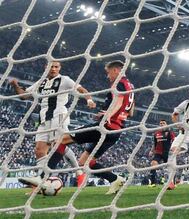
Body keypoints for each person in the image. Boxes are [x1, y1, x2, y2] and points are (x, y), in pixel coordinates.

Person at [10, 61, 96, 191]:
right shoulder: (42, 82)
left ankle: (79, 174)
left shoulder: (64, 80)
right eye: (51, 66)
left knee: (59, 144)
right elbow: (24, 96)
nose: (54, 69)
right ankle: (41, 181)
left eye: (56, 67)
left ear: (59, 68)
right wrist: (15, 85)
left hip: (59, 117)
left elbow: (81, 89)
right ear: (46, 67)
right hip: (44, 120)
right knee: (39, 150)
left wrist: (89, 99)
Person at [59, 60, 135, 195]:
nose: (108, 76)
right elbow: (131, 111)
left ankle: (43, 178)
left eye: (108, 72)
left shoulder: (119, 83)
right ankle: (116, 179)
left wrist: (108, 115)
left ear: (116, 70)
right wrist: (110, 113)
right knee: (84, 162)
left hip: (106, 127)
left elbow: (119, 101)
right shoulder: (130, 86)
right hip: (117, 130)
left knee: (62, 139)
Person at [148, 119, 175, 187]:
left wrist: (174, 149)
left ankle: (172, 183)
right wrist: (151, 151)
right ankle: (153, 183)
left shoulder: (170, 133)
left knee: (171, 168)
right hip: (158, 153)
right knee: (153, 164)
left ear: (166, 125)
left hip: (167, 153)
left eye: (163, 123)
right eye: (160, 123)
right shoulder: (156, 133)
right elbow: (155, 143)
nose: (162, 124)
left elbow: (174, 141)